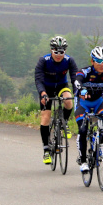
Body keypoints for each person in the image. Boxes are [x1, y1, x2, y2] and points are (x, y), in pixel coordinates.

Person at [34, 36, 77, 165]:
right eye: (56, 52)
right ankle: (46, 149)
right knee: (45, 117)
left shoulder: (69, 61)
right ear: (51, 50)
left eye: (62, 52)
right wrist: (42, 93)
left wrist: (77, 91)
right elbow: (38, 79)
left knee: (69, 101)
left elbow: (75, 77)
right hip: (46, 89)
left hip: (61, 86)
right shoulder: (44, 61)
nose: (59, 55)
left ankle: (64, 122)